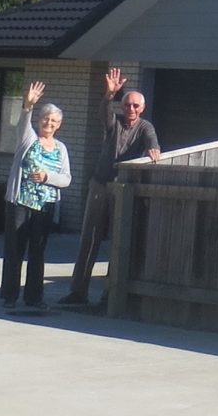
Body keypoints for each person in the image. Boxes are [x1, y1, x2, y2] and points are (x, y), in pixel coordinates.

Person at [58, 67, 159, 305]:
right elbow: (104, 113)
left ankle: (109, 295)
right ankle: (78, 292)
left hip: (122, 188)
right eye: (127, 105)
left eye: (135, 106)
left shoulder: (145, 127)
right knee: (89, 237)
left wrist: (153, 150)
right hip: (100, 183)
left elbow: (153, 144)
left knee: (118, 240)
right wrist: (109, 95)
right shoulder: (115, 123)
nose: (131, 109)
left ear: (142, 108)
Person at [0, 80, 72, 309]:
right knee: (15, 249)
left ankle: (34, 297)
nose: (49, 123)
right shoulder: (28, 139)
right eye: (46, 119)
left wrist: (47, 177)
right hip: (20, 202)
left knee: (37, 251)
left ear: (59, 125)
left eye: (53, 121)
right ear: (39, 120)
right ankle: (10, 296)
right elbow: (23, 124)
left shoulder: (61, 148)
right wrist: (28, 105)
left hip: (45, 205)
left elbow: (66, 179)